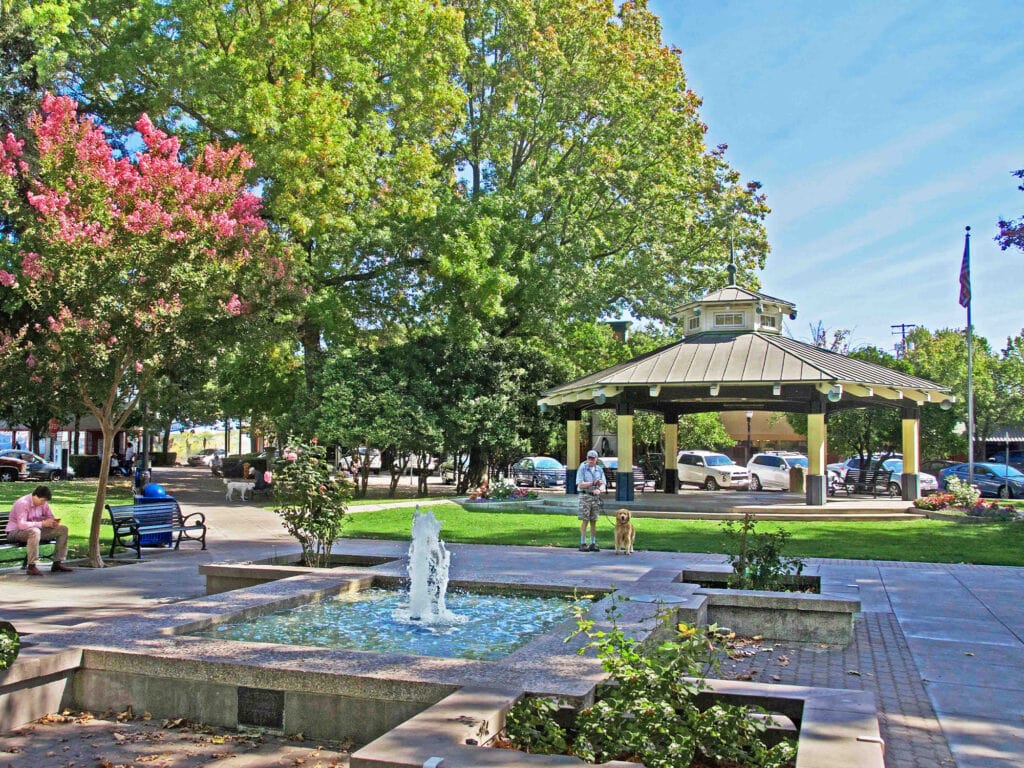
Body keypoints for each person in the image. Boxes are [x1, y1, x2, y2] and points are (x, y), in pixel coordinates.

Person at [5, 485, 73, 575]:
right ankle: (32, 566)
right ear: (35, 496)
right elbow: (22, 525)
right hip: (15, 532)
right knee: (35, 532)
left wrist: (52, 522)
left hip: (36, 530)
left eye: (45, 501)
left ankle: (57, 563)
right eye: (42, 500)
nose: (43, 503)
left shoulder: (43, 503)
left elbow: (50, 516)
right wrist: (42, 524)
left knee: (63, 529)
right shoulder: (23, 503)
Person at [575, 450, 606, 552]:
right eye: (589, 458)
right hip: (585, 496)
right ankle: (583, 543)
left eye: (593, 458)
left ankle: (593, 543)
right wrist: (593, 483)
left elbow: (603, 485)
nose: (591, 460)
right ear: (587, 458)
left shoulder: (599, 470)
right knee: (585, 520)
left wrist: (599, 489)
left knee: (594, 520)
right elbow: (580, 484)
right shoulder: (582, 468)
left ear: (596, 459)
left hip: (595, 498)